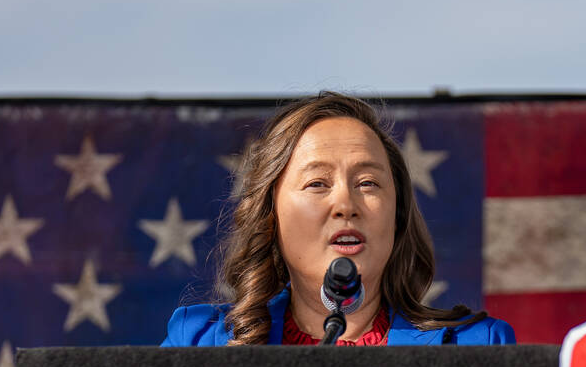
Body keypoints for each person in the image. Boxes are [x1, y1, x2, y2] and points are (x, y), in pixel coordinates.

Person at [162, 92, 514, 346]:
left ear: (397, 215)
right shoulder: (198, 341)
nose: (346, 204)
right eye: (317, 183)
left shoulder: (477, 345)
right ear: (270, 215)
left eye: (368, 183)